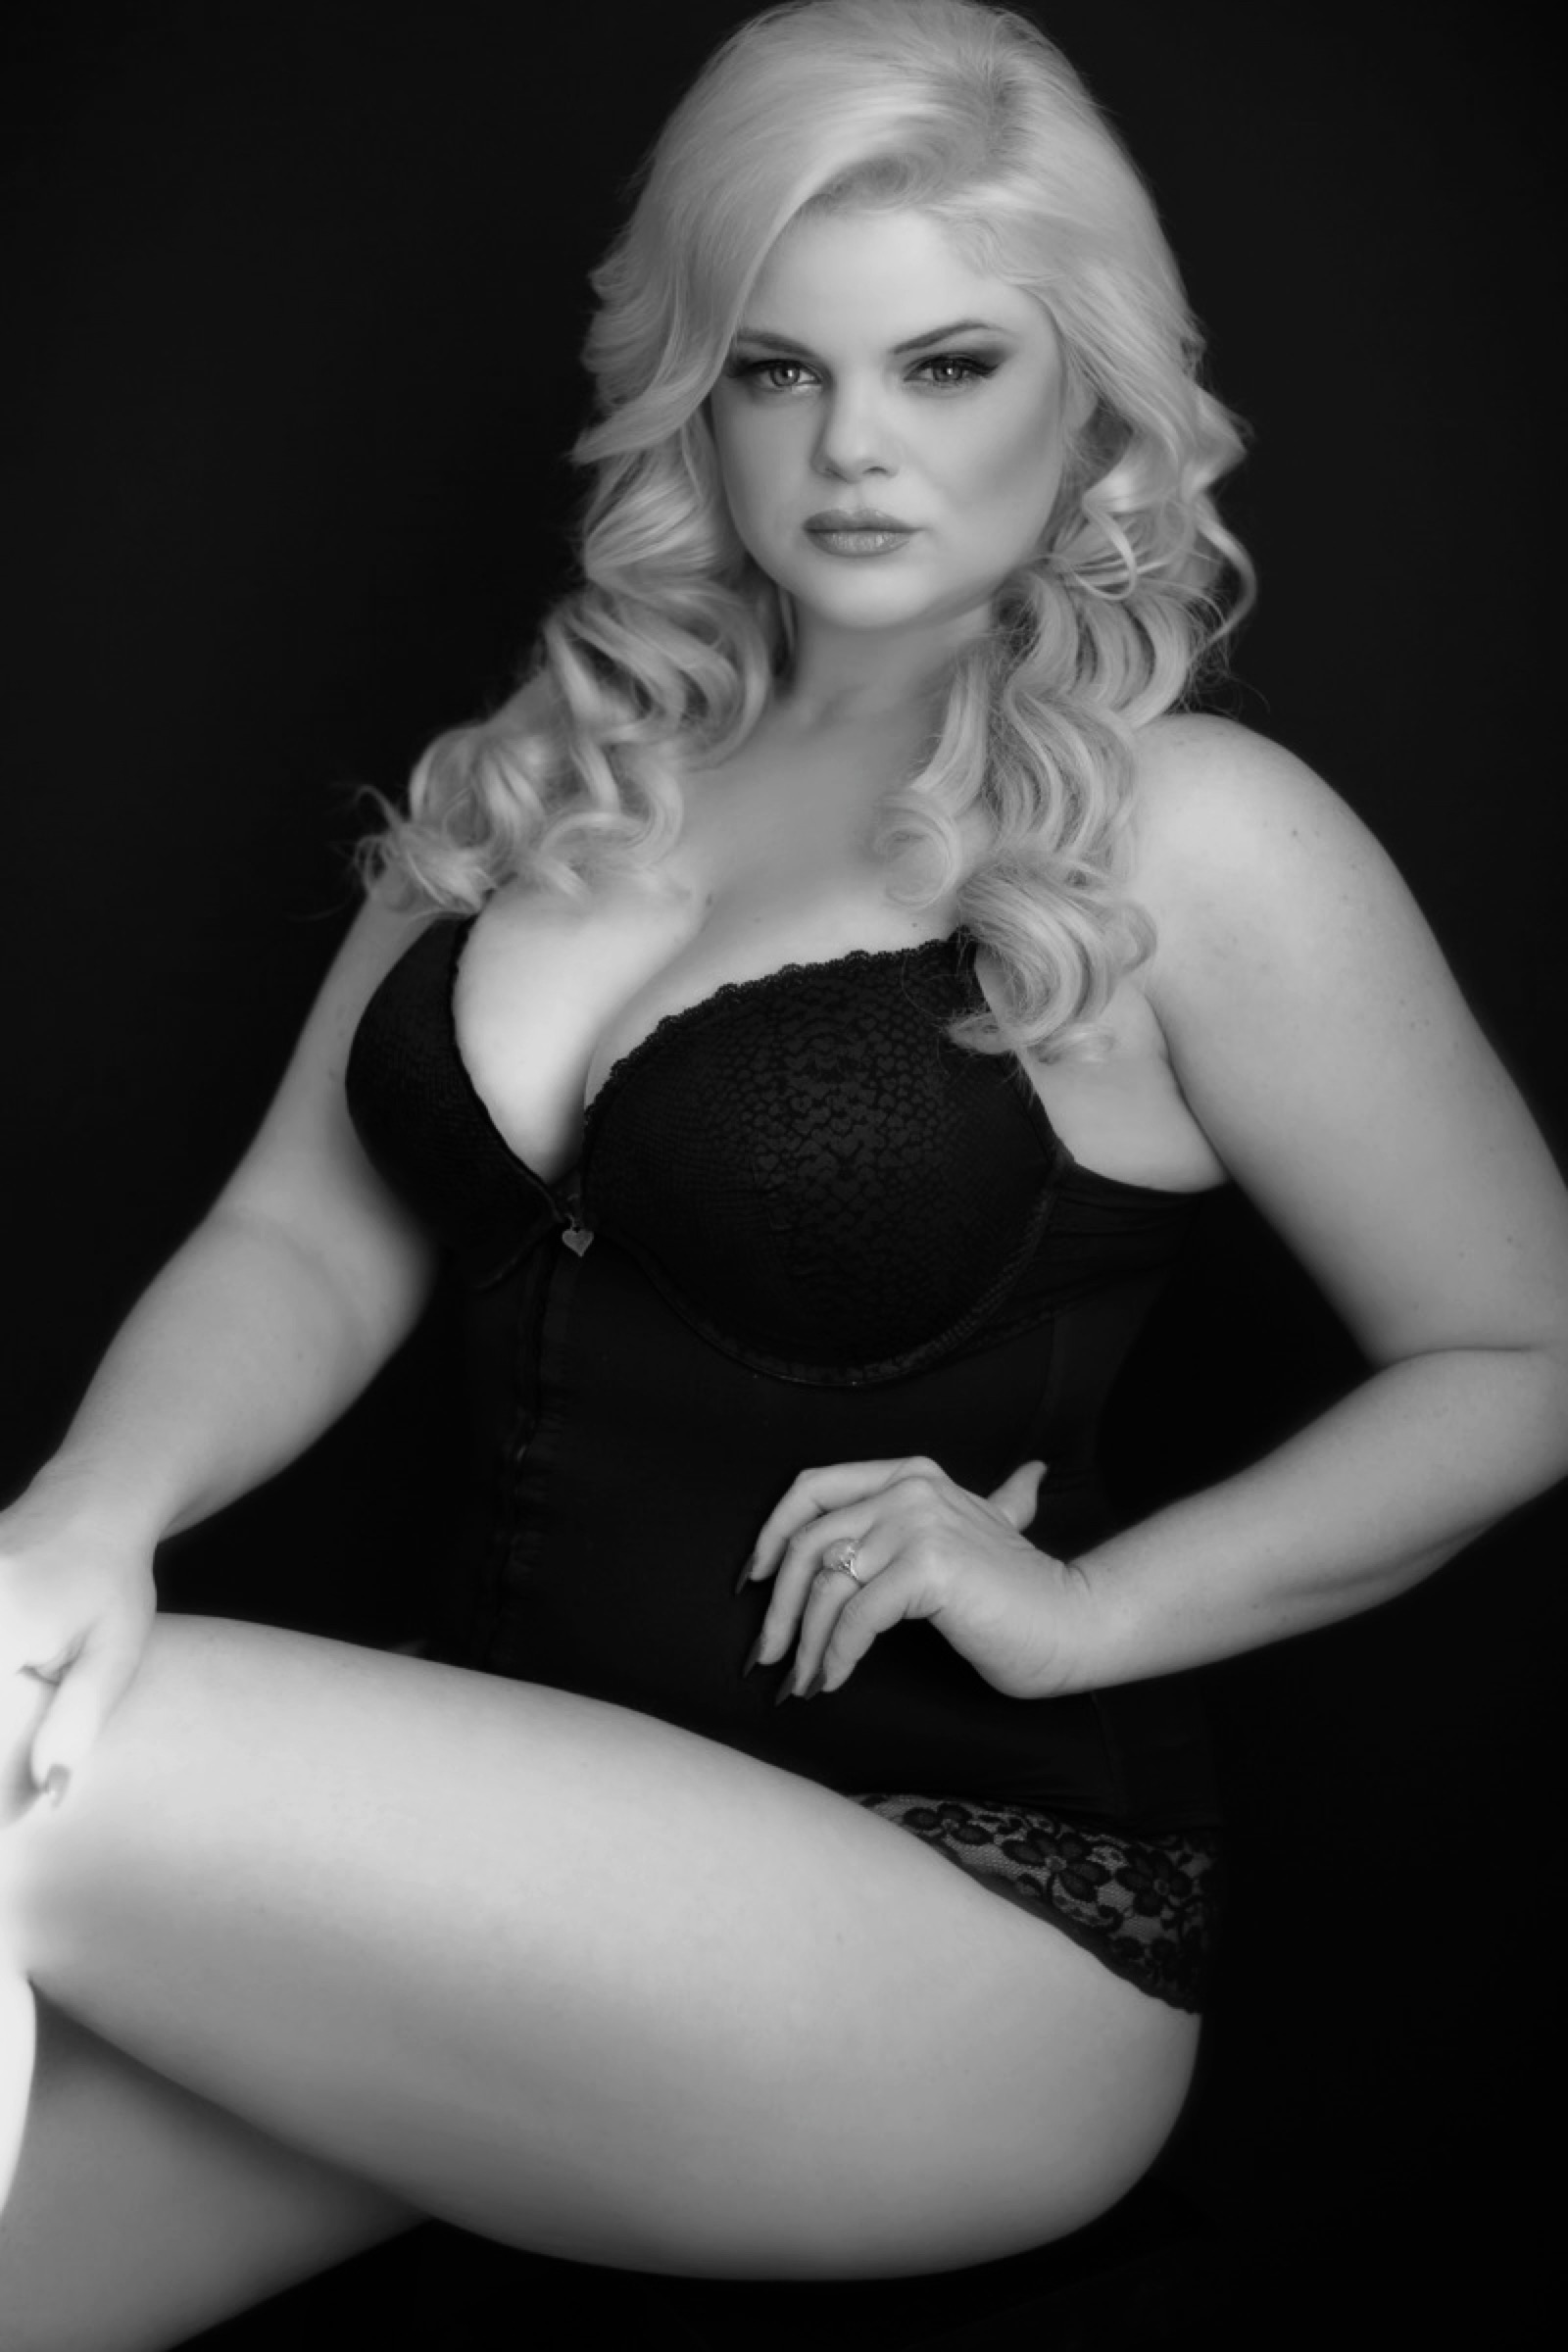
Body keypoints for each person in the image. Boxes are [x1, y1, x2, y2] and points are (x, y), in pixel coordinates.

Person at [3, 0, 1566, 2341]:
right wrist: (81, 1523)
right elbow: (299, 1240)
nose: (849, 448)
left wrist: (1093, 1610)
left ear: (1086, 392)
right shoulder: (540, 782)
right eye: (772, 368)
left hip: (943, 1927)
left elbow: (1522, 1346)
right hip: (504, 1846)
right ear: (691, 392)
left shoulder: (1184, 838)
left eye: (944, 366)